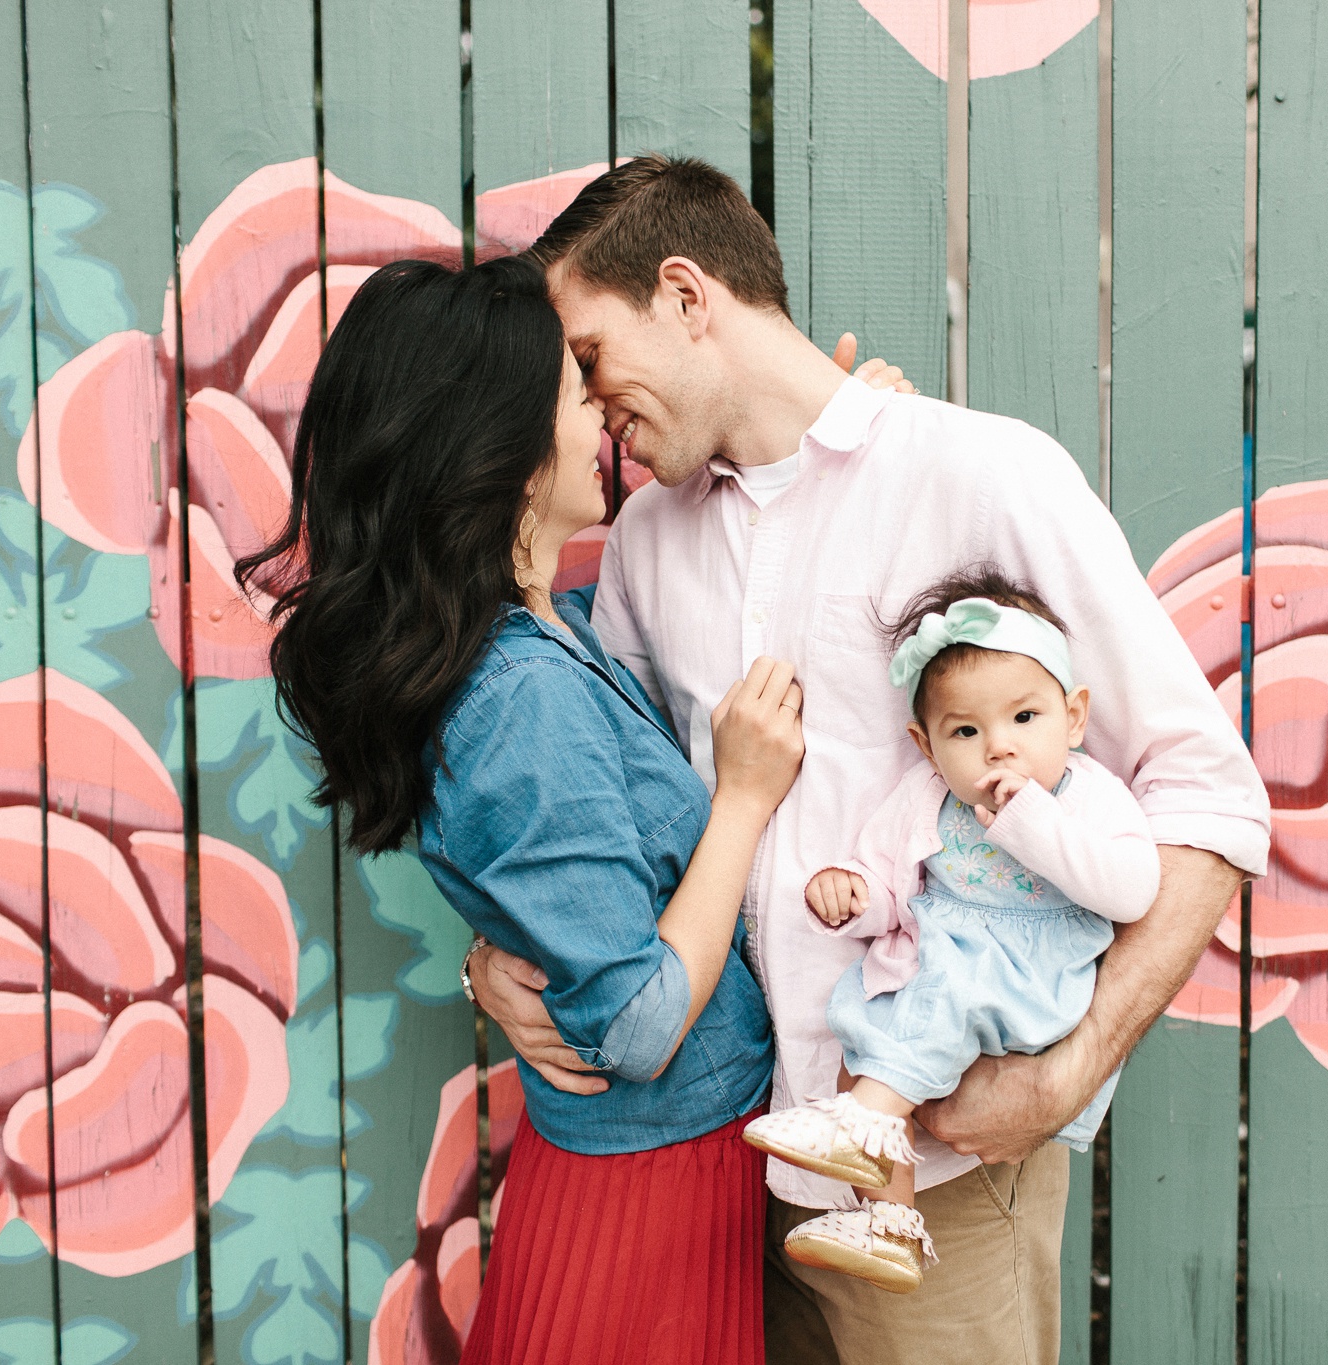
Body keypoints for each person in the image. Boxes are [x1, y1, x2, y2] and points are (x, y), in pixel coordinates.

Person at [464, 155, 1271, 1365]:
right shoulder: (641, 545)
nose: (583, 403)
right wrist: (501, 951)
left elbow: (1209, 795)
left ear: (686, 297)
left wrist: (1067, 1074)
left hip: (937, 1177)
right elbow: (598, 804)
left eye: (588, 356)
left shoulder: (983, 475)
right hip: (721, 1168)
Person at [239, 253, 830, 1365]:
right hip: (653, 1191)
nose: (601, 411)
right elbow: (639, 1025)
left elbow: (568, 879)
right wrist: (745, 796)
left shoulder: (545, 629)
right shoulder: (520, 696)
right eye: (576, 393)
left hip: (636, 1171)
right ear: (504, 455)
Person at [745, 568, 1160, 1294]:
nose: (998, 748)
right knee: (858, 1053)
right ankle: (892, 1224)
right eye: (966, 731)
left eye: (1024, 719)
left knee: (926, 1015)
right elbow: (890, 881)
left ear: (1073, 715)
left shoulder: (1088, 796)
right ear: (927, 744)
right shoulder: (929, 798)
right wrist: (857, 897)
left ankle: (858, 1124)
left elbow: (1131, 889)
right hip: (944, 966)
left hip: (1029, 976)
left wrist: (1035, 824)